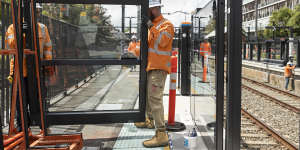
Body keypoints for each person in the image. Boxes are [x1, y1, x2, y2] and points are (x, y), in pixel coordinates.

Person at [5, 3, 53, 132]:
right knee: (21, 102)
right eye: (33, 11)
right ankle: (23, 129)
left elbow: (48, 47)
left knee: (40, 99)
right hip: (20, 71)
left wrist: (47, 64)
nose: (35, 14)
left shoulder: (42, 28)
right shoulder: (12, 28)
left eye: (36, 12)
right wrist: (22, 32)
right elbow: (12, 44)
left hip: (38, 71)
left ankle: (44, 126)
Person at [134, 0, 174, 147]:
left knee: (155, 99)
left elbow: (162, 41)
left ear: (154, 9)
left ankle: (161, 134)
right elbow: (147, 47)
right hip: (151, 67)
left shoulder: (166, 25)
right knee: (149, 96)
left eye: (148, 10)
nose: (146, 14)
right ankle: (149, 120)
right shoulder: (153, 26)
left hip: (159, 68)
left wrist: (150, 26)